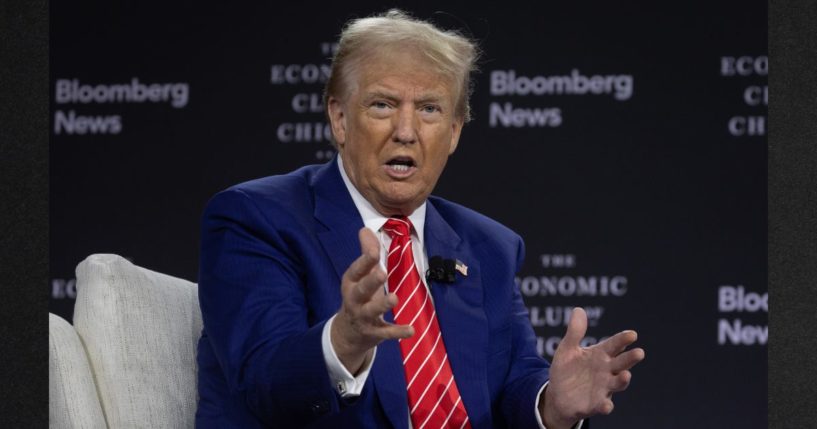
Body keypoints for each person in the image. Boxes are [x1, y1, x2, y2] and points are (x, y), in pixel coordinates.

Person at [196, 9, 644, 429]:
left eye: (429, 109)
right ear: (339, 119)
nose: (406, 131)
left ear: (453, 132)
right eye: (382, 105)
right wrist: (344, 341)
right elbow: (263, 384)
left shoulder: (490, 247)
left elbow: (512, 386)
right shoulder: (257, 219)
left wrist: (552, 405)